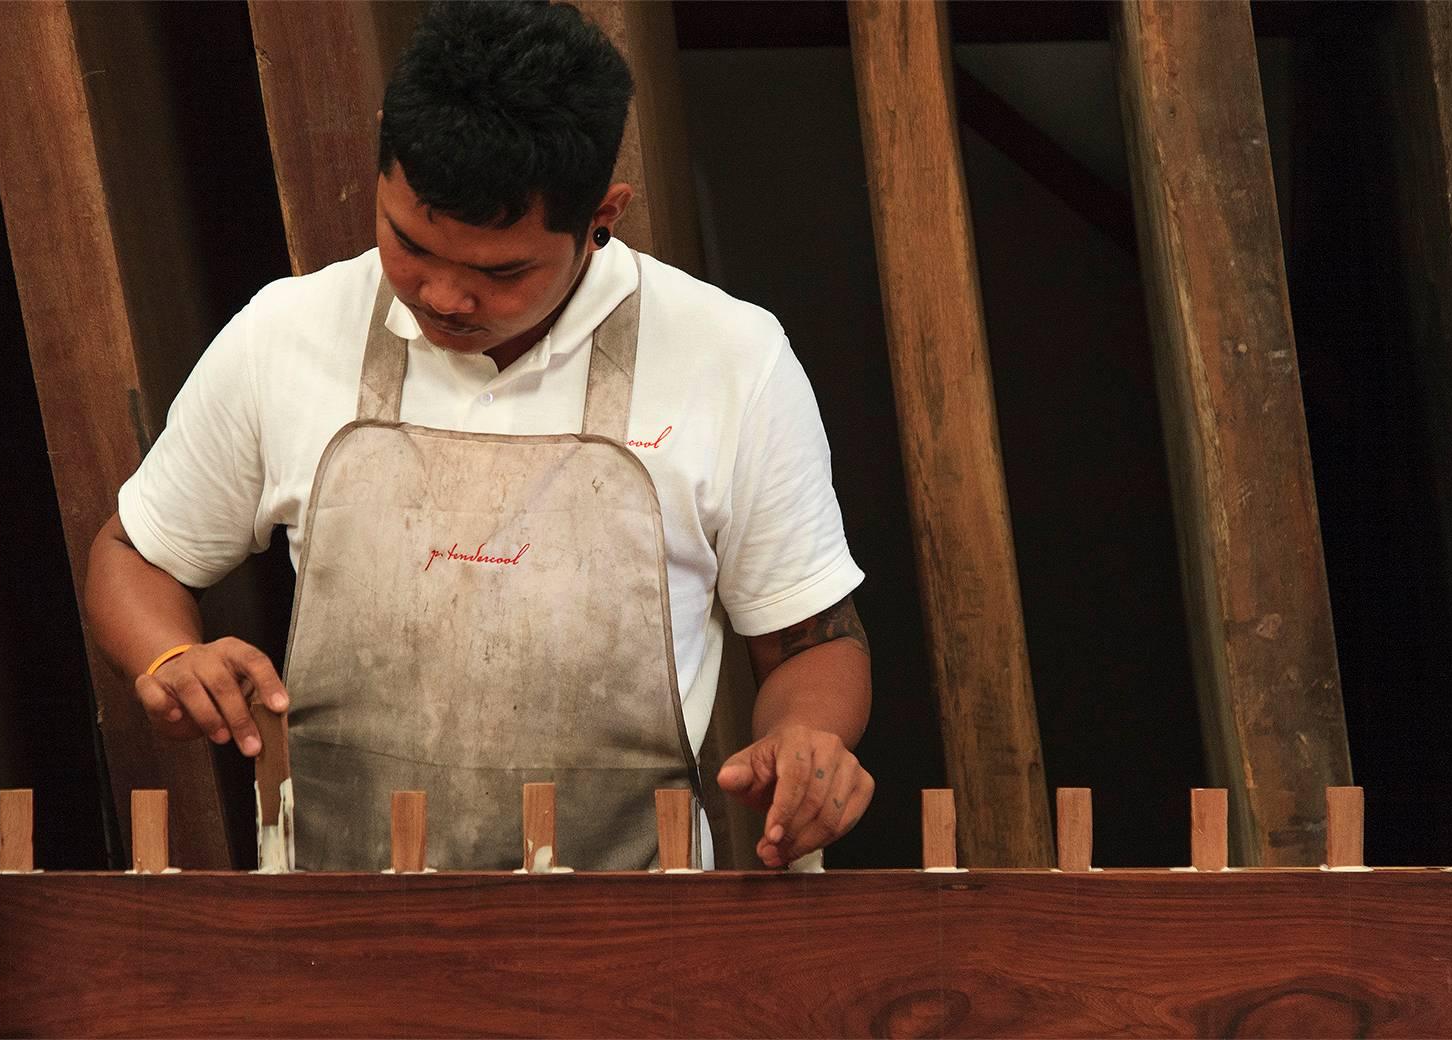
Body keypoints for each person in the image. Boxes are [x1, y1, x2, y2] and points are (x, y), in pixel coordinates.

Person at [85, 0, 871, 871]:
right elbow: (135, 554)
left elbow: (812, 639)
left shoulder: (730, 360)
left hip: (636, 942)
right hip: (332, 926)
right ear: (383, 158)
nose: (446, 298)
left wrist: (805, 740)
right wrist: (170, 654)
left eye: (502, 272)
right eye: (409, 244)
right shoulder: (288, 334)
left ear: (603, 213)